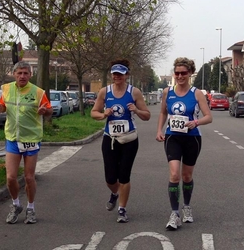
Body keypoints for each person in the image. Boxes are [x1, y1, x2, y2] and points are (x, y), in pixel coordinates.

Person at [156, 57, 212, 230]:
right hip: (172, 136)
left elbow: (208, 117)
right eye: (177, 73)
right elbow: (163, 113)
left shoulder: (197, 93)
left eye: (183, 73)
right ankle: (174, 214)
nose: (180, 76)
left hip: (192, 137)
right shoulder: (167, 92)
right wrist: (159, 130)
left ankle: (186, 206)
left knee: (187, 176)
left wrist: (196, 122)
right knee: (174, 175)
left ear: (190, 74)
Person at [91, 59, 151, 223]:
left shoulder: (134, 92)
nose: (117, 77)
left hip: (130, 138)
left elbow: (147, 115)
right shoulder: (105, 92)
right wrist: (104, 114)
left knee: (124, 176)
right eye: (115, 74)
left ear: (126, 75)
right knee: (110, 178)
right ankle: (115, 193)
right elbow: (93, 112)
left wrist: (136, 110)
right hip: (110, 139)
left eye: (120, 74)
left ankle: (122, 209)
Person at [0, 61, 53, 224]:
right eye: (19, 73)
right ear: (14, 74)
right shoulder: (7, 89)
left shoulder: (38, 92)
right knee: (11, 177)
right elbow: (2, 105)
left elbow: (50, 110)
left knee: (28, 177)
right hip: (12, 137)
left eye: (26, 73)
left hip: (31, 139)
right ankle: (16, 205)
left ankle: (31, 208)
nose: (22, 76)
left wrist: (44, 110)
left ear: (30, 75)